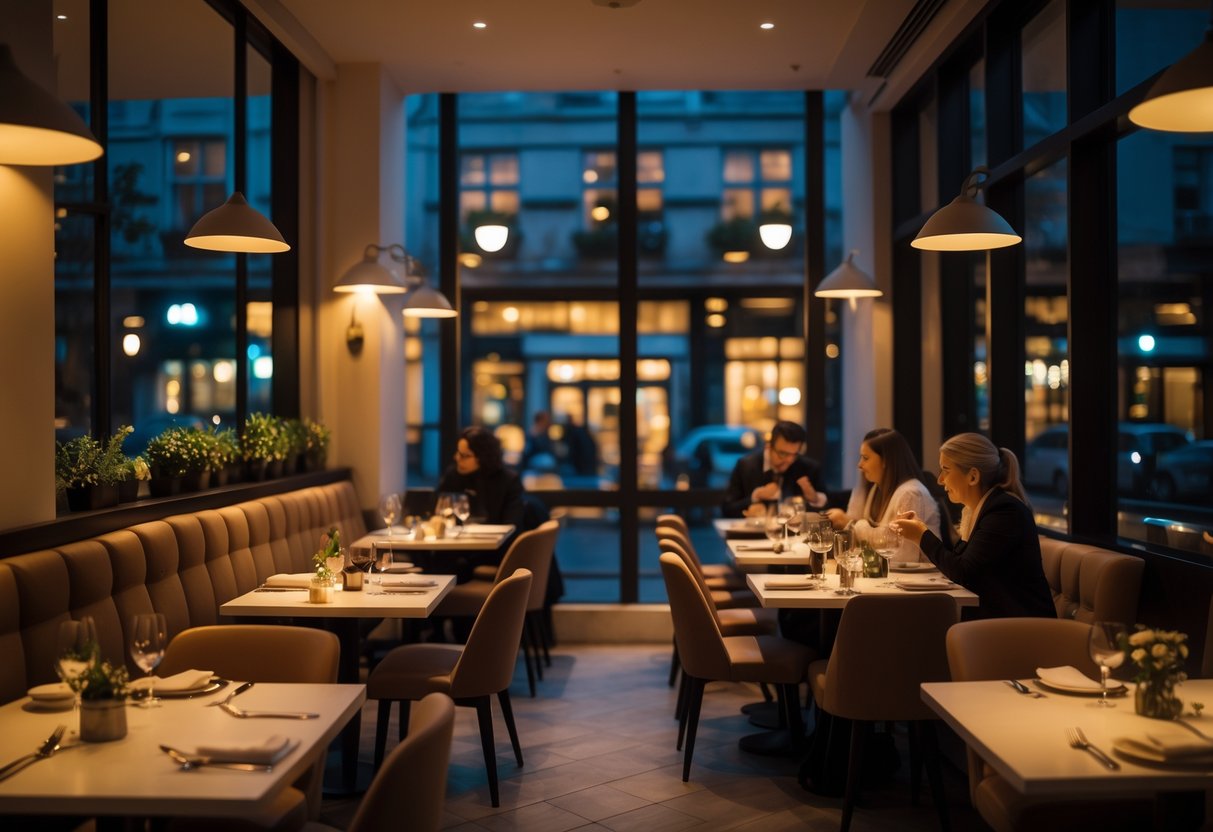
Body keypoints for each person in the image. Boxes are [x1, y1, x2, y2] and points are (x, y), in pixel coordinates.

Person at [890, 432, 1054, 620]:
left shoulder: (1005, 512)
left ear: (973, 476)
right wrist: (920, 531)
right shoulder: (979, 510)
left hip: (1023, 626)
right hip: (998, 620)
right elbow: (959, 562)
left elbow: (963, 572)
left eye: (946, 469)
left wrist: (921, 536)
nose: (940, 479)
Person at [826, 428, 940, 563]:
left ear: (886, 460)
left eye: (866, 458)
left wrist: (857, 527)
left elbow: (905, 556)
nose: (859, 465)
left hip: (922, 579)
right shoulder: (876, 488)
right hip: (895, 577)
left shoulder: (910, 493)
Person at [721, 421, 826, 518]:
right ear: (769, 446)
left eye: (794, 454)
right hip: (753, 535)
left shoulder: (809, 468)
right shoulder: (745, 465)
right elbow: (727, 509)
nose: (789, 460)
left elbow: (828, 510)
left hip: (793, 536)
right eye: (783, 453)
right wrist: (755, 497)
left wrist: (815, 499)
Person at [437, 426, 525, 528]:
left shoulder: (508, 480)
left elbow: (512, 527)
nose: (457, 458)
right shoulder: (453, 476)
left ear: (483, 457)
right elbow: (438, 514)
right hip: (458, 541)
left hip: (498, 542)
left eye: (465, 455)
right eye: (458, 453)